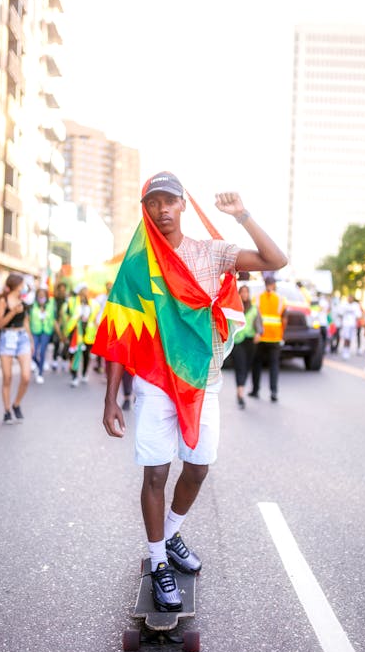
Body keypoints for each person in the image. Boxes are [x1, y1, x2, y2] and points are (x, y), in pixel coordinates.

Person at [94, 172, 287, 611]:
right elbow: (121, 332)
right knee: (156, 474)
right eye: (154, 202)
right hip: (155, 385)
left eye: (170, 201)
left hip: (204, 383)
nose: (162, 209)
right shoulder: (137, 266)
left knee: (198, 469)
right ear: (146, 210)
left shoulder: (210, 253)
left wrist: (243, 216)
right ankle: (158, 559)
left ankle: (173, 530)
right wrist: (110, 398)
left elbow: (276, 260)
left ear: (183, 206)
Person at [0, 273, 32, 424]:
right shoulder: (3, 301)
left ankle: (16, 404)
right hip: (7, 338)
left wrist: (31, 341)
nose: (23, 287)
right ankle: (7, 410)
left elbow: (26, 322)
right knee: (7, 377)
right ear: (16, 285)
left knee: (26, 376)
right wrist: (13, 312)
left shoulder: (22, 300)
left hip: (22, 338)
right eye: (22, 284)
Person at [249, 276, 288, 402]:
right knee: (274, 365)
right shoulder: (281, 300)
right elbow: (285, 319)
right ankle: (274, 392)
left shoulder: (257, 298)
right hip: (275, 337)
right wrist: (282, 333)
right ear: (274, 285)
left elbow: (253, 316)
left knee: (257, 364)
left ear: (265, 284)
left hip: (260, 336)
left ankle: (255, 390)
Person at [232, 284, 263, 408]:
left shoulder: (254, 308)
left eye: (246, 292)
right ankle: (240, 394)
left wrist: (258, 333)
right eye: (242, 292)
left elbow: (259, 324)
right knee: (240, 366)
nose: (244, 294)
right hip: (238, 341)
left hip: (250, 342)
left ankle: (241, 389)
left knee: (246, 366)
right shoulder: (235, 308)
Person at [65, 283, 100, 387]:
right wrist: (66, 331)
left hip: (88, 333)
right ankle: (74, 376)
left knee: (86, 356)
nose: (85, 292)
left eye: (86, 290)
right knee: (73, 354)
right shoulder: (72, 302)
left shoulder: (93, 303)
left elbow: (94, 319)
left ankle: (84, 373)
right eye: (83, 290)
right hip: (75, 332)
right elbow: (67, 316)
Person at [29, 287, 55, 384]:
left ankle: (40, 373)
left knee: (42, 352)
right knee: (33, 352)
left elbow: (52, 318)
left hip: (46, 331)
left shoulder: (50, 305)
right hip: (35, 331)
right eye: (39, 295)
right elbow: (29, 318)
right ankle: (39, 364)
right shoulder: (33, 305)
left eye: (43, 295)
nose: (41, 297)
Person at [339, 294, 362, 360]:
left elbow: (358, 315)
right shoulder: (344, 305)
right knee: (346, 338)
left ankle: (347, 350)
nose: (350, 299)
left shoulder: (355, 305)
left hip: (352, 325)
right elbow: (340, 314)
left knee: (350, 338)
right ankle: (345, 350)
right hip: (346, 324)